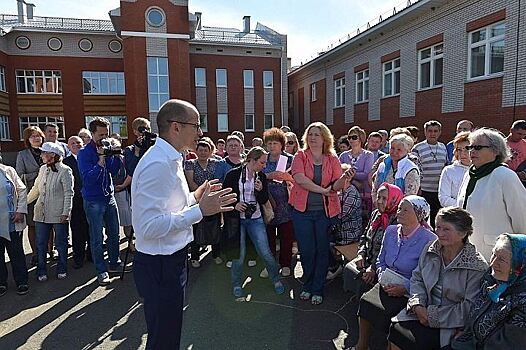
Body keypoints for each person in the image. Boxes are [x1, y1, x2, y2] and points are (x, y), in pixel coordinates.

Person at [131, 99, 236, 349]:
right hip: (160, 264)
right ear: (176, 127)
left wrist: (196, 195)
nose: (200, 133)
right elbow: (147, 226)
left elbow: (171, 206)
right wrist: (199, 211)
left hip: (170, 259)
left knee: (167, 333)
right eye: (196, 125)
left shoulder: (172, 158)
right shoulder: (158, 164)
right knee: (163, 338)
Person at [388, 207, 488, 350]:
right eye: (438, 227)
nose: (439, 233)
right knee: (396, 329)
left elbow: (469, 308)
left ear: (463, 233)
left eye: (446, 229)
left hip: (450, 324)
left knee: (422, 342)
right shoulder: (431, 248)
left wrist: (432, 317)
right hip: (421, 311)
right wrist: (417, 305)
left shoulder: (476, 267)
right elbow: (418, 278)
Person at [353, 196, 436, 350]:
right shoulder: (391, 231)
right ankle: (362, 345)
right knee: (366, 301)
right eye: (399, 208)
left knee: (391, 316)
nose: (399, 212)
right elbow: (380, 259)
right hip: (387, 282)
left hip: (410, 290)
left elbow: (427, 277)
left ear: (419, 215)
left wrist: (405, 288)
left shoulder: (430, 240)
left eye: (405, 210)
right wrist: (382, 275)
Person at [289, 122, 350, 305]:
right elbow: (299, 179)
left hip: (325, 212)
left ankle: (318, 288)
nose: (313, 137)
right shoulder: (300, 156)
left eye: (317, 134)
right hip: (302, 212)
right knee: (307, 251)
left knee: (322, 251)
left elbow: (337, 185)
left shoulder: (332, 158)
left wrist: (345, 179)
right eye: (310, 134)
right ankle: (307, 285)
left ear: (325, 138)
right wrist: (323, 190)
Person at [223, 146, 286, 297]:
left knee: (265, 251)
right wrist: (235, 205)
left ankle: (276, 279)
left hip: (255, 218)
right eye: (262, 163)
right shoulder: (233, 174)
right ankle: (237, 284)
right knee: (239, 254)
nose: (264, 166)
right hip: (237, 219)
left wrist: (260, 189)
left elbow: (264, 200)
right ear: (252, 160)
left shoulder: (261, 177)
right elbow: (224, 196)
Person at [457, 128, 526, 260]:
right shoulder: (470, 174)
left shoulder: (505, 176)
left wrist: (520, 252)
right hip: (468, 252)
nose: (472, 151)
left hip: (497, 255)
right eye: (470, 147)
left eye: (478, 147)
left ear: (495, 151)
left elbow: (522, 218)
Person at [452, 233, 526, 350]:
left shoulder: (522, 301)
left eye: (501, 259)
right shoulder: (492, 279)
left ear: (520, 265)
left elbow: (504, 346)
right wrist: (466, 332)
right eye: (493, 254)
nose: (492, 263)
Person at [77, 117, 123, 286]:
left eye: (106, 133)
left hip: (109, 197)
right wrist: (101, 160)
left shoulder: (108, 147)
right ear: (92, 133)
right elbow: (88, 179)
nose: (104, 138)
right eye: (100, 134)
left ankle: (114, 262)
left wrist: (116, 156)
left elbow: (114, 171)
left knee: (114, 233)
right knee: (97, 237)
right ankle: (101, 270)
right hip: (93, 200)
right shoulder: (84, 153)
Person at [344, 183, 403, 296]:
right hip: (368, 259)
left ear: (394, 200)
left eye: (385, 198)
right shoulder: (376, 214)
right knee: (349, 270)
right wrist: (361, 254)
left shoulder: (397, 222)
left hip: (383, 267)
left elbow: (389, 251)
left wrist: (373, 268)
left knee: (365, 282)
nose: (379, 201)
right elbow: (365, 236)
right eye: (378, 197)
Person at [27, 142, 73, 281]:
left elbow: (69, 193)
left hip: (59, 213)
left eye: (43, 152)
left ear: (52, 155)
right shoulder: (42, 169)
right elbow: (36, 189)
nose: (41, 155)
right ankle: (41, 270)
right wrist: (22, 204)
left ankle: (62, 267)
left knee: (61, 243)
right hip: (41, 213)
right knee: (40, 243)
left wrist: (66, 212)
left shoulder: (65, 170)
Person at [261, 128, 295, 278]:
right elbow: (255, 175)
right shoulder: (262, 158)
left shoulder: (290, 159)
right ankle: (270, 265)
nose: (272, 146)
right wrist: (270, 175)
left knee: (286, 237)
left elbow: (298, 179)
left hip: (287, 204)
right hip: (268, 204)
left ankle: (286, 265)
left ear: (282, 144)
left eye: (275, 143)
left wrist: (286, 177)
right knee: (268, 238)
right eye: (269, 143)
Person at [184, 139, 223, 267]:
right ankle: (195, 256)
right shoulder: (190, 164)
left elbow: (218, 180)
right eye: (200, 150)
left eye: (206, 150)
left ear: (210, 151)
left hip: (213, 200)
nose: (203, 152)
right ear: (196, 151)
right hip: (196, 200)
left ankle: (216, 254)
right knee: (197, 228)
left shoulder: (216, 163)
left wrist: (211, 196)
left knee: (215, 228)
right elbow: (191, 183)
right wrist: (202, 197)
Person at [16, 126, 45, 266]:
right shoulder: (22, 155)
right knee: (33, 225)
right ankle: (35, 253)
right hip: (32, 194)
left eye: (38, 135)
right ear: (28, 139)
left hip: (48, 193)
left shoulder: (48, 150)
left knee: (48, 224)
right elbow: (19, 175)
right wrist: (38, 173)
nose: (36, 138)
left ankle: (49, 251)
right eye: (33, 136)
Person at [412, 120, 448, 227]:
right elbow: (415, 171)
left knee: (436, 220)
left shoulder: (443, 147)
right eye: (430, 131)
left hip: (439, 190)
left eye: (435, 131)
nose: (433, 134)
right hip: (424, 190)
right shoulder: (417, 148)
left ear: (439, 132)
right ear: (425, 132)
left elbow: (446, 165)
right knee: (422, 219)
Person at [0, 162, 29, 296]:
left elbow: (21, 190)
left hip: (12, 220)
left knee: (16, 252)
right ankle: (1, 282)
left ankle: (22, 281)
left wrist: (21, 210)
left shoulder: (8, 170)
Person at [63, 136, 91, 269]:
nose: (76, 145)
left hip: (90, 198)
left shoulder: (89, 158)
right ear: (68, 146)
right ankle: (78, 257)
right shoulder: (65, 162)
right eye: (72, 143)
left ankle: (91, 255)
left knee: (92, 227)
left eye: (78, 142)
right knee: (77, 229)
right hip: (76, 201)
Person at [339, 126, 374, 223]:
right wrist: (353, 179)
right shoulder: (343, 155)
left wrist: (348, 174)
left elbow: (366, 174)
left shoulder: (368, 155)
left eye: (354, 137)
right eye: (349, 137)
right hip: (346, 192)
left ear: (360, 139)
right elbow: (339, 173)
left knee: (364, 220)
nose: (351, 140)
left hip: (364, 192)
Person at [372, 133, 420, 198]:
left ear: (407, 151)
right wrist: (378, 204)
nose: (394, 152)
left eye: (399, 150)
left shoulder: (410, 170)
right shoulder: (382, 166)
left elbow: (409, 197)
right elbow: (375, 189)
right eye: (392, 148)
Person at [438, 132, 471, 207]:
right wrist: (464, 206)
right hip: (457, 215)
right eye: (459, 149)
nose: (463, 153)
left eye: (467, 149)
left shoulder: (481, 169)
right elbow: (444, 198)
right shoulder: (449, 171)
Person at [506, 120, 526, 185]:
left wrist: (524, 173)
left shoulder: (525, 144)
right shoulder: (501, 144)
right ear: (511, 130)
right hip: (506, 178)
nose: (521, 137)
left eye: (524, 134)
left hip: (522, 180)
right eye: (519, 134)